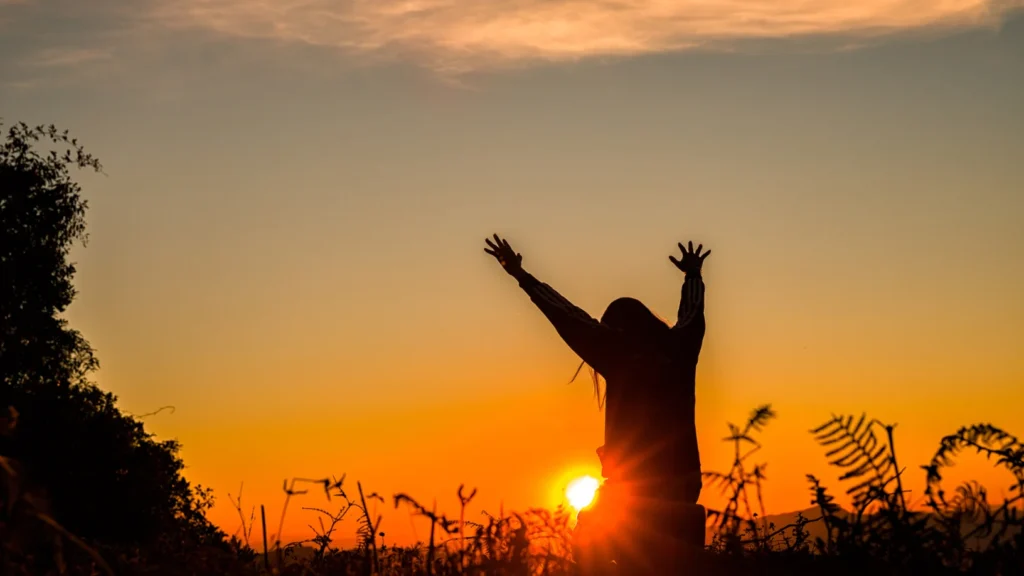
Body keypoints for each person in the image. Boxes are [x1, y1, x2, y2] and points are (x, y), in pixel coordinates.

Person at [484, 234, 710, 571]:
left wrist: (522, 276)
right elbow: (692, 313)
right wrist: (693, 275)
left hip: (634, 490)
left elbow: (567, 315)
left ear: (617, 329)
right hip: (684, 484)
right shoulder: (681, 350)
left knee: (591, 544)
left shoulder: (618, 353)